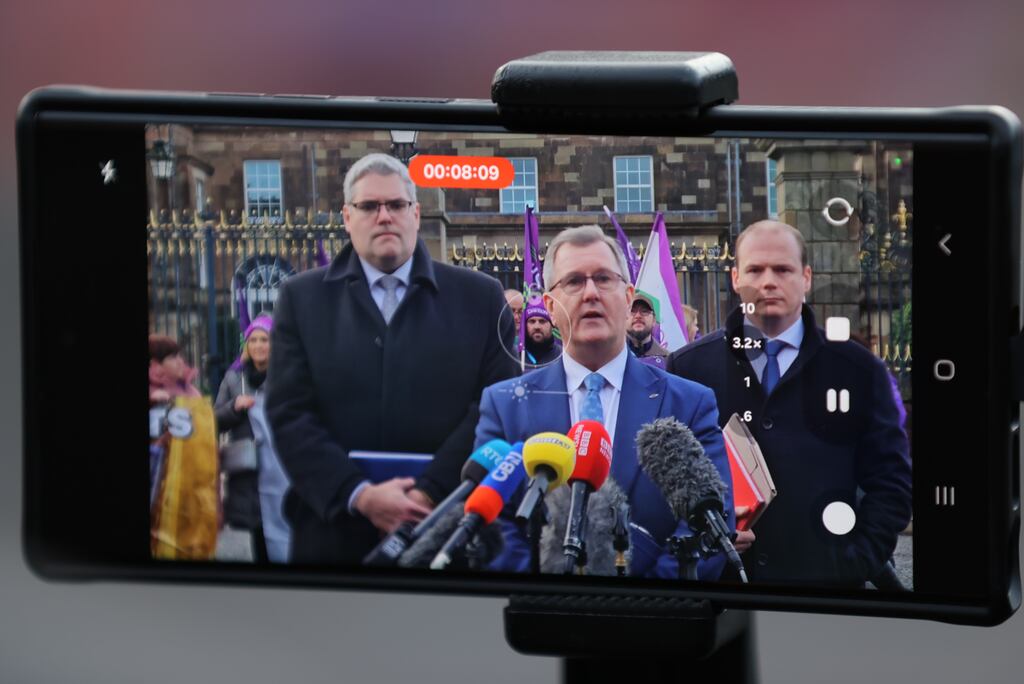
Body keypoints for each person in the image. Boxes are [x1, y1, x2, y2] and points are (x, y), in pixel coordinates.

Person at [265, 152, 518, 564]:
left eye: (396, 205)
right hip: (333, 534)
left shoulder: (481, 298)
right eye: (369, 206)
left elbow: (496, 407)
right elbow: (289, 413)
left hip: (448, 531)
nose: (384, 216)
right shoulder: (300, 298)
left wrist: (431, 492)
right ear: (347, 217)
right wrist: (358, 494)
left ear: (415, 214)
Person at [475, 225, 743, 579]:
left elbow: (710, 524)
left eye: (603, 279)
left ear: (628, 297)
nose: (591, 293)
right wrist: (550, 596)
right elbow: (492, 528)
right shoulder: (504, 405)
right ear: (551, 307)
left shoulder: (690, 404)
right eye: (574, 281)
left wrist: (638, 600)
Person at [667, 220, 912, 587]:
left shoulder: (859, 368)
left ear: (806, 277)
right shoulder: (688, 367)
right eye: (755, 270)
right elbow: (668, 483)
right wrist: (705, 543)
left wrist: (854, 561)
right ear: (735, 278)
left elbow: (891, 480)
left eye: (782, 269)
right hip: (725, 595)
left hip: (824, 595)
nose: (768, 282)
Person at [214, 313, 291, 563]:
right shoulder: (234, 378)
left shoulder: (287, 376)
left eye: (264, 340)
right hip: (251, 468)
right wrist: (234, 407)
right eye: (253, 340)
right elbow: (215, 421)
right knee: (259, 529)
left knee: (287, 521)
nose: (258, 345)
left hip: (283, 465)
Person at [149, 334, 201, 404]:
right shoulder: (154, 393)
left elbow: (204, 411)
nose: (181, 361)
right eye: (173, 357)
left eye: (179, 356)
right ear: (156, 365)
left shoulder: (190, 389)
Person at [626, 293, 670, 369]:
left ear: (654, 320)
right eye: (632, 311)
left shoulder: (667, 360)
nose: (638, 316)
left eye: (644, 311)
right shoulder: (611, 357)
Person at [521, 295, 561, 370]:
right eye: (532, 321)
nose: (537, 327)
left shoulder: (563, 357)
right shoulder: (517, 356)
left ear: (551, 325)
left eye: (542, 321)